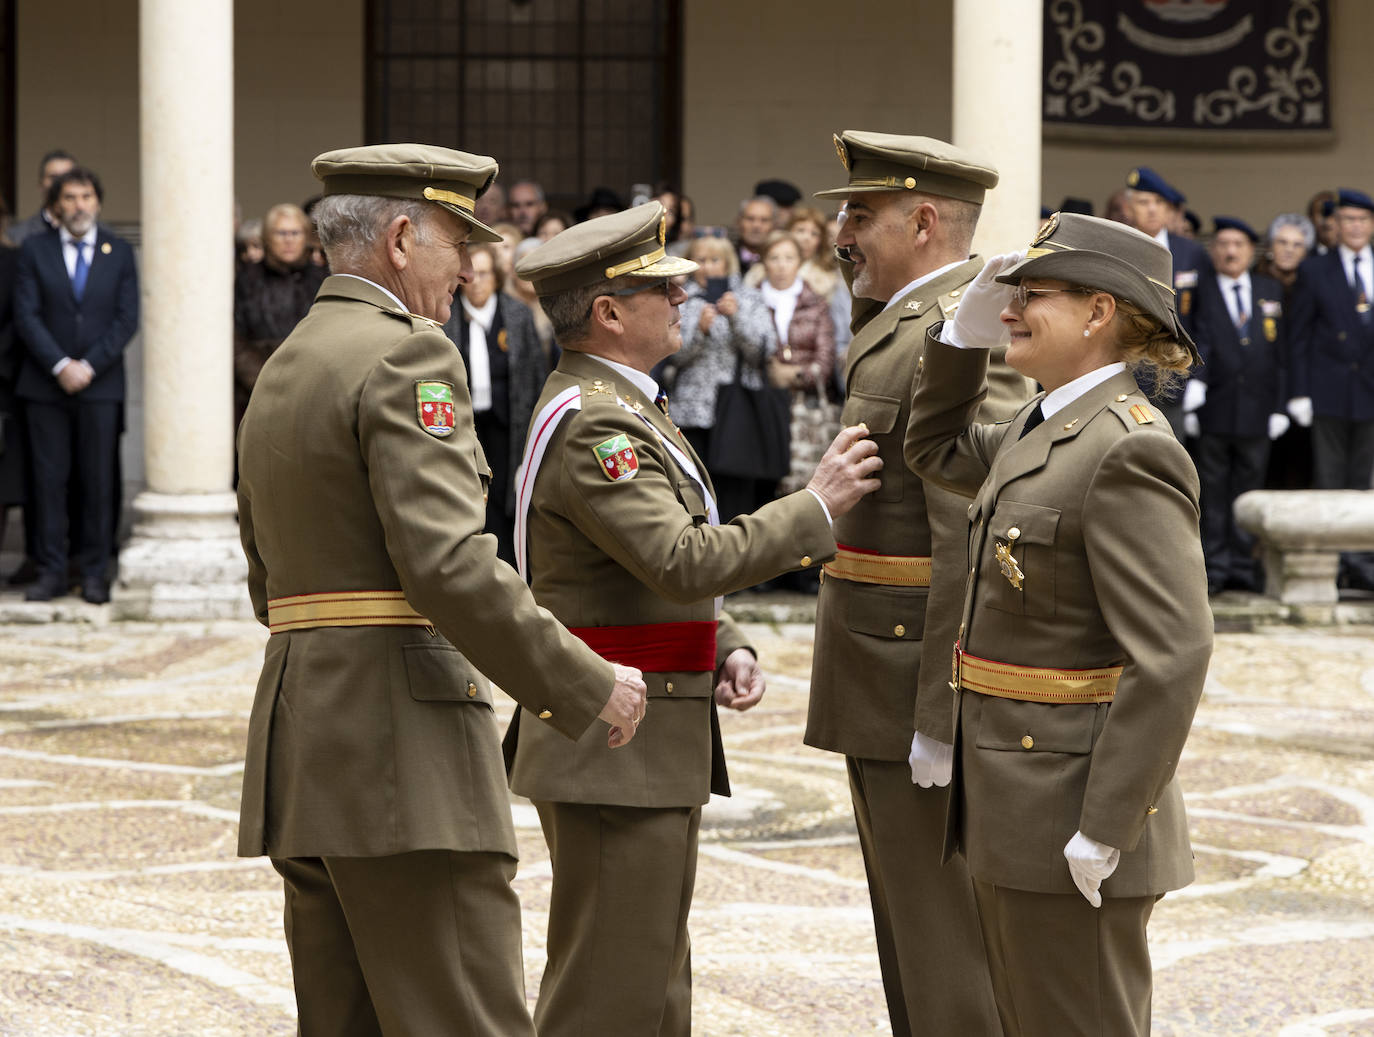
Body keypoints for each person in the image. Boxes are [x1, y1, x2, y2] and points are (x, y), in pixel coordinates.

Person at [234, 143, 648, 1037]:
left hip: (306, 742)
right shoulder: (408, 358)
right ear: (397, 239)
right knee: (467, 1016)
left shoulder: (287, 362)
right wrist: (582, 681)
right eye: (456, 242)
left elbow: (266, 574)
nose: (467, 268)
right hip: (403, 752)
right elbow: (448, 562)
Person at [505, 200, 881, 1037]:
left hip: (642, 729)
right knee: (608, 991)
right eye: (660, 288)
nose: (684, 296)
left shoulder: (627, 403)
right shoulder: (596, 422)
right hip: (613, 737)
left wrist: (726, 639)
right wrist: (814, 505)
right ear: (607, 312)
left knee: (649, 980)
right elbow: (680, 559)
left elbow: (650, 566)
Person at [905, 212, 1213, 1036]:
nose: (1009, 309)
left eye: (1030, 295)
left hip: (1071, 812)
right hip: (1014, 802)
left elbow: (1174, 653)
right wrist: (958, 340)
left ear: (1098, 311)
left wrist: (1106, 828)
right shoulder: (1039, 425)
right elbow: (931, 449)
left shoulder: (1125, 449)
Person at [806, 130, 1028, 1037]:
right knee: (910, 936)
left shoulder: (960, 333)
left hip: (913, 684)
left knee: (947, 952)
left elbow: (971, 535)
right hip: (878, 677)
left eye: (860, 213)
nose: (841, 232)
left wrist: (941, 714)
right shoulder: (902, 320)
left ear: (925, 221)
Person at [13, 167, 137, 605]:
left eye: (86, 196)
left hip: (100, 388)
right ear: (55, 205)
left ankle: (94, 573)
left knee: (98, 484)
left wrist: (88, 366)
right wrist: (61, 364)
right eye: (70, 197)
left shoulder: (118, 251)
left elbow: (127, 319)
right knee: (48, 483)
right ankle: (50, 572)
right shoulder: (34, 250)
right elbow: (26, 315)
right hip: (46, 388)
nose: (79, 205)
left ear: (98, 202)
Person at [1184, 217, 1289, 593]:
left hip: (1259, 410)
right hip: (1216, 407)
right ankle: (1215, 567)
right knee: (1213, 493)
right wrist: (1194, 388)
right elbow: (1196, 340)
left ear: (1251, 251)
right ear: (1214, 250)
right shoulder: (1200, 290)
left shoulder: (1269, 288)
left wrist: (1281, 405)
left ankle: (1244, 566)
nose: (1230, 251)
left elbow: (1281, 351)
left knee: (1249, 491)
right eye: (1224, 244)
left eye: (1239, 245)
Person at [1287, 187, 1374, 588]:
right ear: (1334, 226)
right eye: (1348, 220)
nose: (1355, 227)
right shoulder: (1314, 269)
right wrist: (1300, 391)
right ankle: (1333, 565)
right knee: (1331, 477)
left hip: (1370, 390)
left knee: (1365, 481)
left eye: (1362, 220)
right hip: (1329, 389)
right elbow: (1298, 334)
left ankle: (1362, 566)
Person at [440, 241, 546, 566]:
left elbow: (535, 374)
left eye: (485, 274)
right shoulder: (446, 317)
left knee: (504, 499)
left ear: (497, 277)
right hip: (464, 428)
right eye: (470, 275)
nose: (477, 283)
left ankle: (508, 567)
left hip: (508, 426)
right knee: (470, 500)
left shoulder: (516, 314)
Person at [664, 234, 779, 519]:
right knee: (694, 491)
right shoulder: (680, 298)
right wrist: (699, 331)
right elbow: (671, 355)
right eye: (700, 260)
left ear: (728, 264)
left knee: (735, 495)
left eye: (714, 260)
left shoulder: (748, 297)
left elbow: (764, 350)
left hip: (739, 410)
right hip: (692, 413)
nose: (706, 267)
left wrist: (736, 317)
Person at [1124, 166, 1208, 437]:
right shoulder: (1117, 244)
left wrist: (1199, 378)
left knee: (1170, 461)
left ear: (1169, 209)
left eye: (1158, 202)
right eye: (1143, 202)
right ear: (1129, 207)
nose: (1151, 209)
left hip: (1174, 373)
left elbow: (1205, 319)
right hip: (1125, 372)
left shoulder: (1191, 252)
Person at [756, 230, 838, 507]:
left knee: (800, 491)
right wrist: (769, 371)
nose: (781, 265)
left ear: (800, 262)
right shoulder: (750, 299)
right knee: (761, 490)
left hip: (804, 406)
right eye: (774, 257)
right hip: (761, 404)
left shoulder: (816, 302)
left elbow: (826, 361)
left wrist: (792, 374)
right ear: (763, 261)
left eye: (789, 258)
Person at [232, 203, 327, 430]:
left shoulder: (322, 278)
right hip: (255, 392)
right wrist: (264, 381)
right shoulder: (247, 278)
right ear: (267, 237)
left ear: (305, 237)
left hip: (312, 391)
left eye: (295, 233)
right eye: (281, 233)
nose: (288, 239)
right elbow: (233, 336)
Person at [9, 150, 77, 246]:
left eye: (67, 177)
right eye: (54, 177)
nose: (61, 183)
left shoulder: (101, 235)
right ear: (41, 184)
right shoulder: (18, 236)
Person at [506, 235, 557, 362]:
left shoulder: (555, 308)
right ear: (513, 270)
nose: (532, 272)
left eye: (537, 265)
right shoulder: (501, 306)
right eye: (526, 264)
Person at [734, 195, 777, 276]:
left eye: (764, 220)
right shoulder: (726, 258)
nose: (756, 226)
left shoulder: (781, 261)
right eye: (750, 219)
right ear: (738, 222)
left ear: (774, 226)